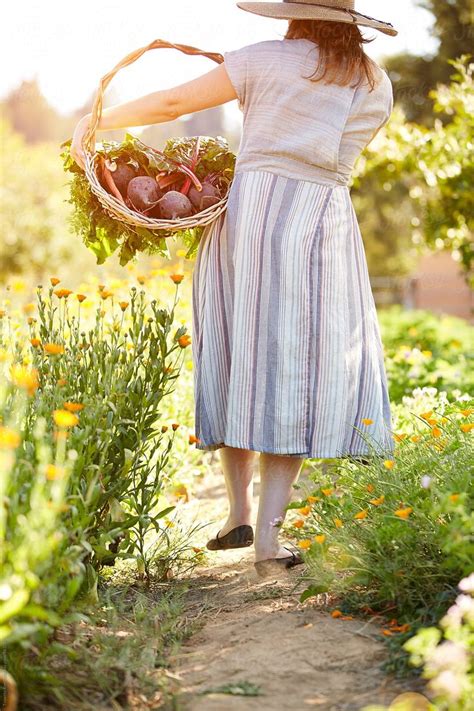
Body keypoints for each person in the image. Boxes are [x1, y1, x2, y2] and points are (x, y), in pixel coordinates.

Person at [71, 0, 398, 577]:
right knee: (294, 363)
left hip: (248, 217)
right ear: (352, 24)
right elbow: (341, 157)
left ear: (292, 14)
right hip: (321, 223)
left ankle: (238, 511)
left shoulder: (261, 60)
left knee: (238, 348)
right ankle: (265, 535)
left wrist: (97, 121)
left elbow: (173, 102)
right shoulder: (373, 81)